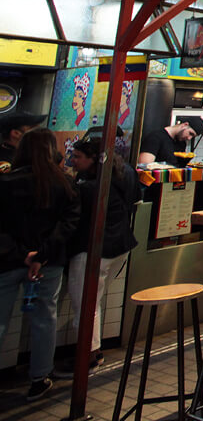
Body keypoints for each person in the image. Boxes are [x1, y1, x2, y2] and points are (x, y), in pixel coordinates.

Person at [0, 129, 81, 400]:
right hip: (49, 262)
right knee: (45, 318)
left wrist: (22, 254)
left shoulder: (6, 182)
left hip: (8, 261)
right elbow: (68, 224)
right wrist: (41, 254)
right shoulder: (65, 184)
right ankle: (39, 377)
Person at [57, 132, 138, 375]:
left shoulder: (89, 188)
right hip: (120, 247)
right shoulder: (125, 175)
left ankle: (88, 356)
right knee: (93, 302)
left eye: (78, 156)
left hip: (94, 250)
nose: (73, 160)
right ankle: (94, 351)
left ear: (94, 159)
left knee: (86, 305)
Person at [137, 117, 203, 165]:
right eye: (190, 133)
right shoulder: (156, 137)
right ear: (185, 125)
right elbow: (144, 166)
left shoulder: (181, 143)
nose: (189, 138)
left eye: (193, 137)